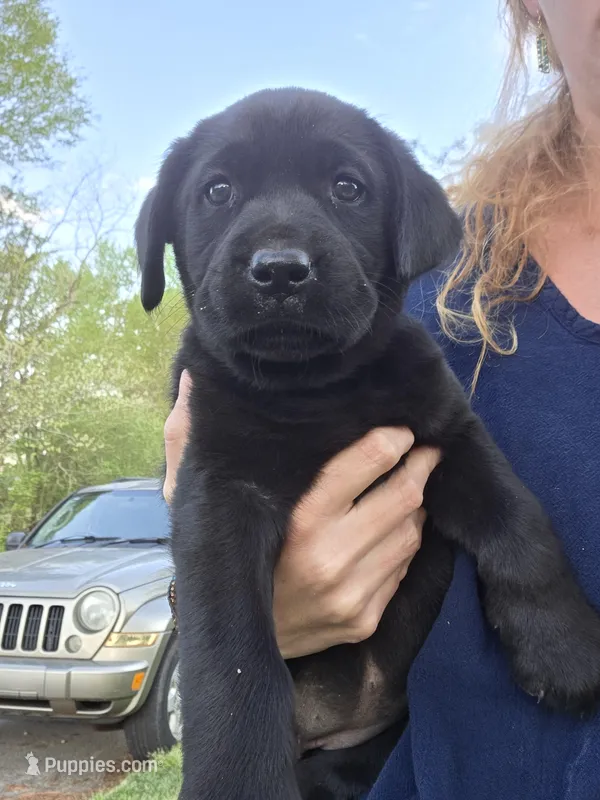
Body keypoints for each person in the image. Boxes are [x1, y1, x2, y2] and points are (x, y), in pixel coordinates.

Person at [162, 0, 600, 797]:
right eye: (218, 189)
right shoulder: (452, 301)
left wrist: (537, 591)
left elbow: (468, 471)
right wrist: (240, 625)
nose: (279, 248)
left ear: (404, 229)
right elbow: (216, 543)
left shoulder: (411, 353)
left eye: (345, 186)